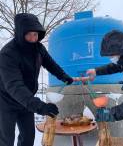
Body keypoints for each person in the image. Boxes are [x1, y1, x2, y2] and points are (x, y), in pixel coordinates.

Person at [0, 13, 73, 146]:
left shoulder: (38, 48)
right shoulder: (8, 54)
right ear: (20, 34)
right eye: (29, 34)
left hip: (27, 100)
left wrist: (63, 76)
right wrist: (40, 106)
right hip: (6, 102)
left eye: (36, 34)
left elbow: (50, 64)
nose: (33, 38)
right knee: (6, 140)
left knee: (28, 138)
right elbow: (14, 86)